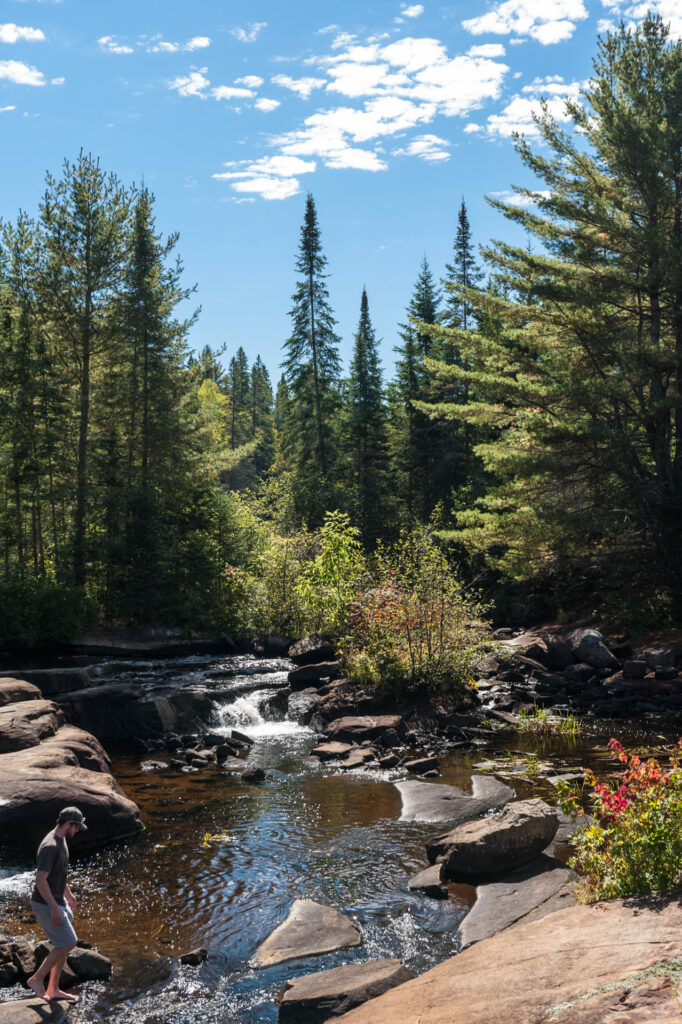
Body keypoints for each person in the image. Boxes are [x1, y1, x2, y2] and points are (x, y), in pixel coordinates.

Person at [26, 806, 87, 1003]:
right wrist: (53, 907)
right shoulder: (50, 846)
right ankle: (36, 979)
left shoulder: (61, 840)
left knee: (63, 944)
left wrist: (68, 894)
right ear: (68, 824)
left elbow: (58, 872)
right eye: (76, 827)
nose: (77, 831)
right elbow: (41, 880)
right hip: (45, 903)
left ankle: (53, 989)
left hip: (58, 900)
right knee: (69, 942)